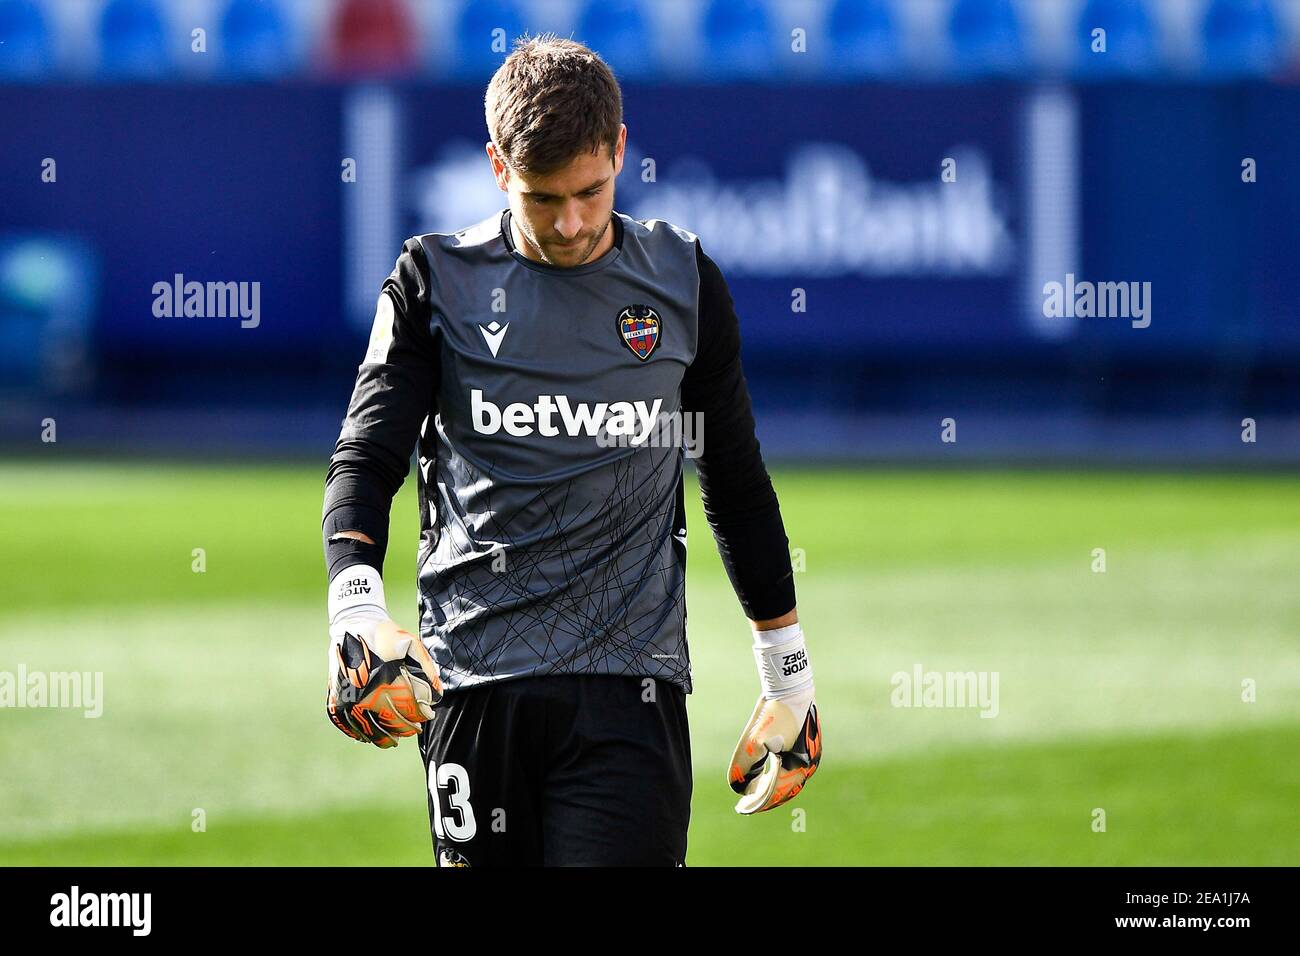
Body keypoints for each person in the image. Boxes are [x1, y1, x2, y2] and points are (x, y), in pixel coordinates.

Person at [322, 35, 820, 867]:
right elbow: (366, 458)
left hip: (629, 689)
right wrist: (357, 613)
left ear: (621, 150)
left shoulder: (684, 282)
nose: (572, 222)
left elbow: (732, 479)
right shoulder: (430, 283)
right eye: (542, 198)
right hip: (472, 686)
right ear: (495, 166)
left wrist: (789, 677)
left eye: (591, 191)